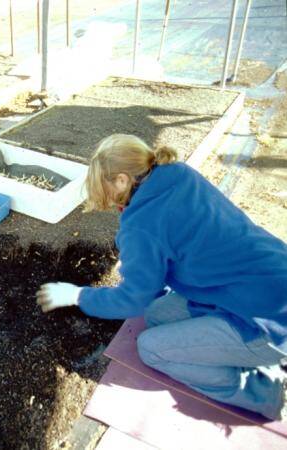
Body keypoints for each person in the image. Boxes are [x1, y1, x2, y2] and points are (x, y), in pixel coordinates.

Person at [37, 134, 287, 420]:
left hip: (269, 323)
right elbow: (172, 255)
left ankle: (264, 391)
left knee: (152, 348)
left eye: (102, 185)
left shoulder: (141, 225)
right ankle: (234, 351)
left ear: (121, 180)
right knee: (157, 314)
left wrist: (76, 295)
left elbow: (132, 301)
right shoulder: (177, 173)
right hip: (266, 279)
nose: (102, 195)